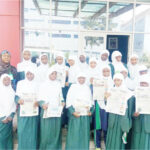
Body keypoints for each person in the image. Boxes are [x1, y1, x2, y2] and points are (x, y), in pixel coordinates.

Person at [105, 73, 134, 150]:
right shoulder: (110, 91)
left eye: (119, 80)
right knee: (111, 135)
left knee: (119, 137)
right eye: (115, 80)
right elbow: (107, 106)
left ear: (122, 81)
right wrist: (106, 98)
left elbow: (130, 108)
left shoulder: (128, 93)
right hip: (113, 117)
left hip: (122, 117)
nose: (117, 82)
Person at [38, 68, 65, 150]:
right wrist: (42, 104)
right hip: (46, 110)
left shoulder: (58, 84)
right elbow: (39, 98)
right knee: (46, 131)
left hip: (56, 111)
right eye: (52, 74)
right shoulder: (43, 85)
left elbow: (61, 96)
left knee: (56, 131)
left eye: (55, 74)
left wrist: (62, 102)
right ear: (48, 74)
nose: (54, 75)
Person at [66, 72, 94, 150]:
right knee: (74, 134)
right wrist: (73, 112)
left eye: (83, 78)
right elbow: (68, 101)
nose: (81, 80)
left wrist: (91, 111)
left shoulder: (87, 88)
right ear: (77, 79)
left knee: (84, 135)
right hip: (76, 115)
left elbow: (91, 101)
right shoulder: (73, 87)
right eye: (80, 78)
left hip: (85, 116)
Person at [15, 68, 39, 150]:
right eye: (28, 74)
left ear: (34, 74)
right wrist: (18, 100)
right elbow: (16, 96)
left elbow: (40, 97)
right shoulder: (20, 83)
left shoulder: (37, 84)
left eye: (31, 74)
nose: (29, 76)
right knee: (22, 131)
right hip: (23, 111)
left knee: (32, 131)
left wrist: (38, 102)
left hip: (33, 112)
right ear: (25, 74)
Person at [94, 65, 113, 150]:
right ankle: (97, 146)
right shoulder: (98, 81)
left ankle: (107, 145)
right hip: (99, 104)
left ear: (110, 72)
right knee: (98, 126)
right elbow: (94, 93)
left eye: (107, 71)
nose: (105, 73)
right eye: (104, 71)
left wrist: (109, 95)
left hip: (110, 107)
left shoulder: (113, 82)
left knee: (106, 127)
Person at [131, 76, 150, 150]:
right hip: (138, 121)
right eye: (141, 83)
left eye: (145, 83)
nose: (143, 85)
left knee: (146, 141)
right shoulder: (134, 96)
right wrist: (134, 114)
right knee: (136, 140)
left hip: (148, 122)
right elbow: (130, 110)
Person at [0, 74, 16, 150]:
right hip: (1, 119)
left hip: (9, 119)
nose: (7, 81)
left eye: (8, 79)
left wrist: (11, 115)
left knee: (9, 138)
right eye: (5, 79)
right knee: (2, 138)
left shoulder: (12, 91)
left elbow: (14, 105)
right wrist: (2, 117)